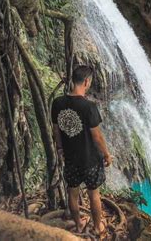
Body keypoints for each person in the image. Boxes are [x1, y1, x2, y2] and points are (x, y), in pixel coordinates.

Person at [52, 65, 113, 237]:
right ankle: (97, 227)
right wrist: (107, 155)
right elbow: (97, 137)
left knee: (72, 191)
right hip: (90, 160)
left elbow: (56, 130)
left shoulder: (57, 103)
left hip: (71, 158)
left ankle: (78, 224)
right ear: (86, 82)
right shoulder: (89, 107)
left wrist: (60, 148)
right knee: (94, 194)